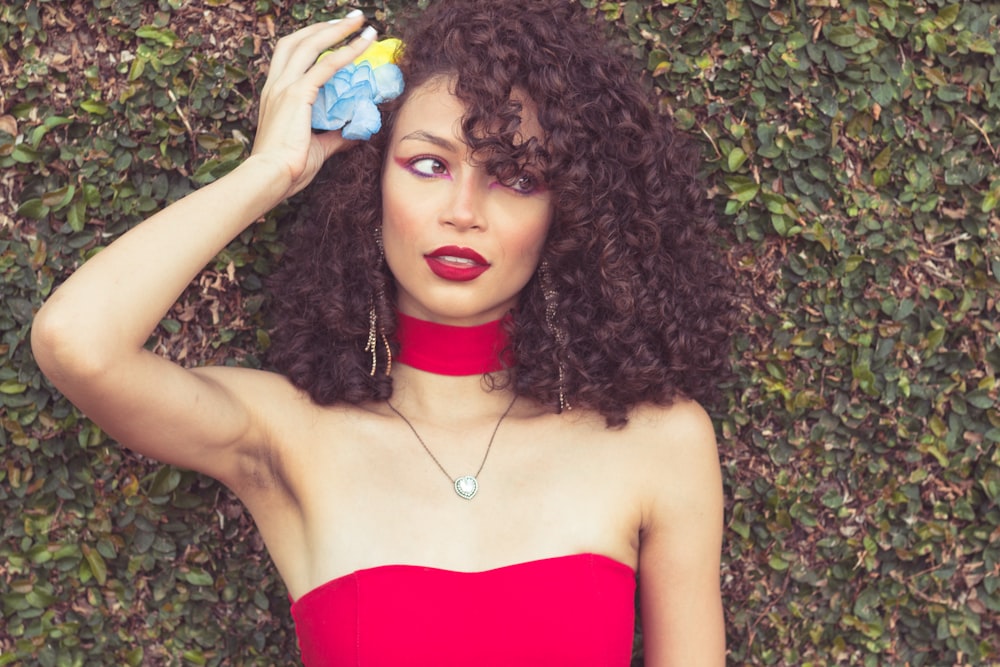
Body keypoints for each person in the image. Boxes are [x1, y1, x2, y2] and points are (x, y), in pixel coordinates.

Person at [31, 0, 735, 664]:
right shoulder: (287, 432)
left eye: (517, 177)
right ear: (371, 184)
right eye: (428, 165)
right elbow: (76, 343)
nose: (464, 211)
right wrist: (271, 172)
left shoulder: (657, 442)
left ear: (569, 212)